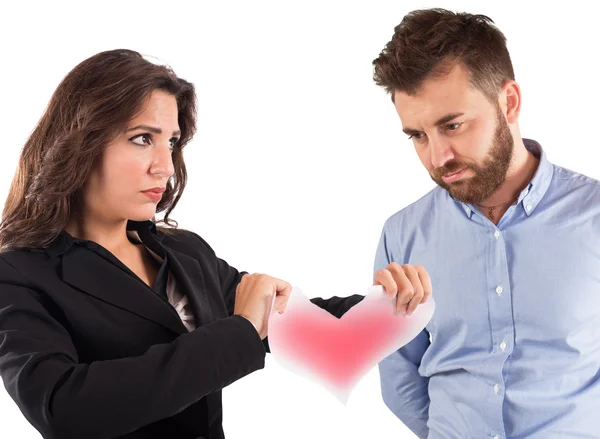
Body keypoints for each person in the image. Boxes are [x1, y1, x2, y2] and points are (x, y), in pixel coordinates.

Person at [0, 49, 430, 439]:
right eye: (142, 138)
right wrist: (240, 331)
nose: (165, 166)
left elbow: (291, 318)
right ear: (80, 142)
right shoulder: (19, 273)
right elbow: (64, 409)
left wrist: (397, 301)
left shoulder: (184, 252)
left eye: (170, 142)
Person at [371, 7, 600, 439]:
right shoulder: (402, 234)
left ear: (508, 102)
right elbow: (399, 375)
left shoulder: (594, 218)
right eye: (417, 136)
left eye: (452, 125)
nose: (438, 158)